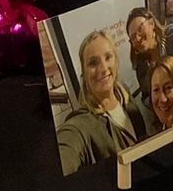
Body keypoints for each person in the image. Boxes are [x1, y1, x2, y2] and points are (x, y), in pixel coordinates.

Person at [56, 29, 158, 172]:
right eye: (93, 63)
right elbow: (66, 148)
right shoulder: (82, 124)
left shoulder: (125, 95)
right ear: (84, 74)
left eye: (108, 57)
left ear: (116, 61)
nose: (103, 68)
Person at [126, 5, 173, 102]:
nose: (137, 38)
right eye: (133, 37)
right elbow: (146, 96)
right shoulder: (141, 65)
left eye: (140, 29)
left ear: (152, 23)